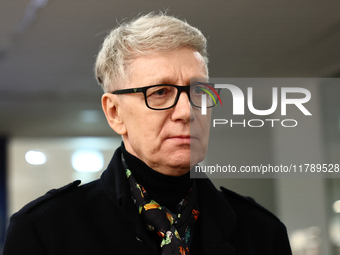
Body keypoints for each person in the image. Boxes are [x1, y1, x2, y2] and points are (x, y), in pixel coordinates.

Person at [3, 13, 292, 254]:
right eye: (161, 92)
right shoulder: (46, 230)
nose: (186, 112)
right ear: (115, 113)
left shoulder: (261, 233)